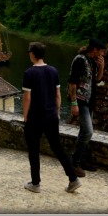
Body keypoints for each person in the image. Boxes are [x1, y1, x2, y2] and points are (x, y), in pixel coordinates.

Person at [21, 41, 81, 194]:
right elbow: (58, 95)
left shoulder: (29, 73)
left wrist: (25, 116)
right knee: (58, 148)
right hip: (51, 116)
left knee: (33, 149)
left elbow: (27, 98)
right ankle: (73, 178)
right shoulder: (53, 71)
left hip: (35, 117)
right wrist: (58, 112)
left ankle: (35, 183)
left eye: (29, 52)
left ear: (33, 54)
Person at [69, 37, 106, 176]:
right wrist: (74, 104)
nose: (102, 54)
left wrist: (102, 67)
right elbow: (72, 83)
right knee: (88, 132)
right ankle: (74, 162)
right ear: (95, 50)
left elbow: (97, 79)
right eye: (101, 51)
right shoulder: (80, 60)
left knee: (83, 131)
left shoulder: (93, 61)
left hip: (89, 100)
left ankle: (81, 160)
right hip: (80, 100)